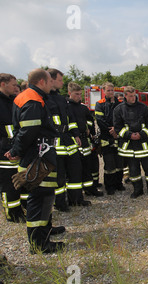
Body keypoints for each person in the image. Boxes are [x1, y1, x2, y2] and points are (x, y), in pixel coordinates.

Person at [5, 68, 65, 254]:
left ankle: (45, 230)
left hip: (41, 155)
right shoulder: (32, 100)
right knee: (39, 199)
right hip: (37, 157)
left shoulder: (33, 97)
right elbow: (28, 131)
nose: (51, 85)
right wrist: (16, 151)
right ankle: (39, 243)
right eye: (49, 81)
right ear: (41, 82)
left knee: (46, 196)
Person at [47, 69, 90, 208]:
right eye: (60, 80)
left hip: (68, 139)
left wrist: (76, 134)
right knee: (59, 175)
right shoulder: (44, 98)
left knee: (75, 170)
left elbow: (70, 119)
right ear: (51, 79)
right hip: (54, 142)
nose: (62, 83)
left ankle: (76, 199)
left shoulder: (61, 98)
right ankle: (60, 203)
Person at [114, 86, 148, 199]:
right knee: (134, 171)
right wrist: (129, 135)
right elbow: (118, 127)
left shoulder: (143, 108)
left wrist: (141, 134)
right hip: (129, 146)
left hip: (143, 144)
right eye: (130, 96)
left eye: (134, 95)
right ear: (125, 96)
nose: (133, 98)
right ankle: (137, 190)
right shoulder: (119, 109)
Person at [67, 82, 103, 197]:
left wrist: (89, 130)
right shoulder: (66, 107)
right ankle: (75, 194)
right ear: (69, 93)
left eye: (80, 94)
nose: (79, 96)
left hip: (85, 139)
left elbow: (90, 121)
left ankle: (89, 189)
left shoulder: (83, 107)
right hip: (72, 141)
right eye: (76, 94)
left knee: (87, 166)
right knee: (75, 169)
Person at [0, 73, 26, 223]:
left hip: (14, 148)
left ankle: (18, 211)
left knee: (17, 182)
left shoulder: (11, 102)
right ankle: (11, 214)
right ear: (3, 84)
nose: (16, 87)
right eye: (13, 85)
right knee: (7, 184)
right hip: (3, 150)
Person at [95, 82, 124, 195]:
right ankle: (109, 186)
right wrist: (111, 130)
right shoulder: (100, 104)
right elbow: (100, 120)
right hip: (106, 137)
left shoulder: (120, 103)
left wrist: (116, 130)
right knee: (109, 164)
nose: (111, 92)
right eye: (108, 90)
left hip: (118, 137)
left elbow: (123, 118)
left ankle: (119, 184)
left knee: (119, 163)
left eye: (112, 90)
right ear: (104, 91)